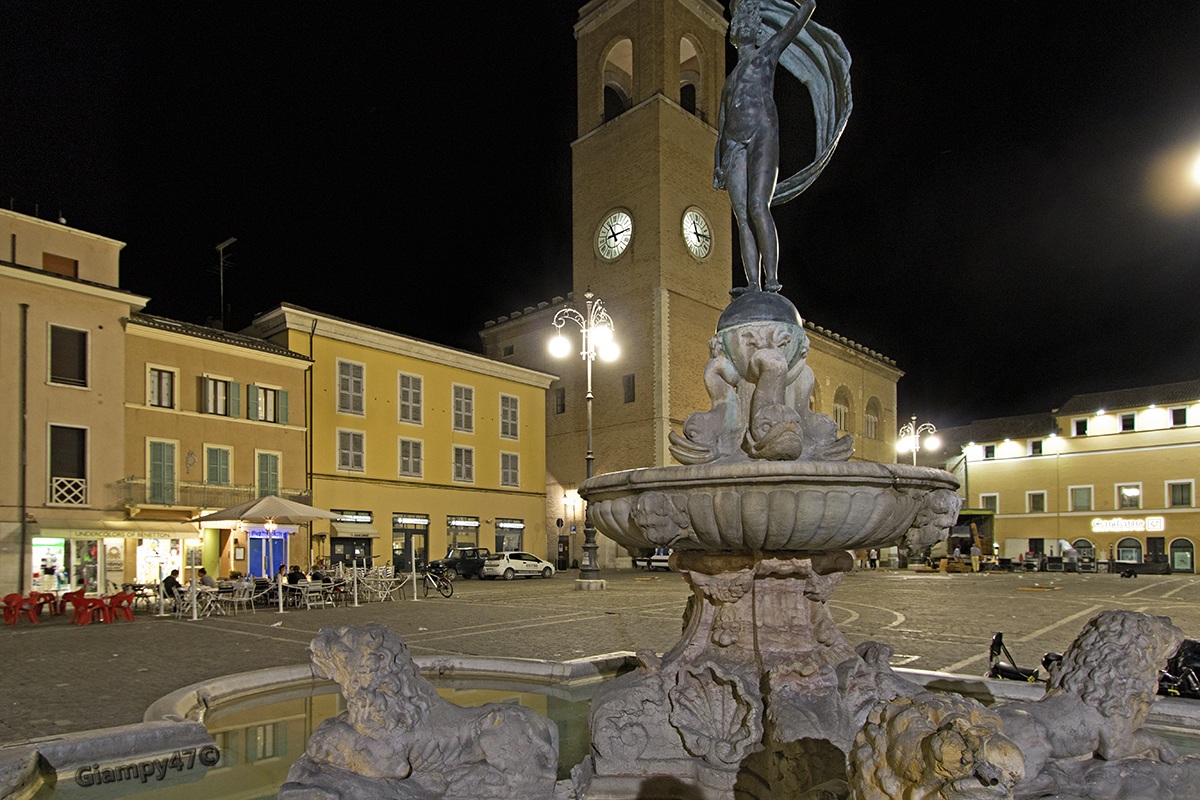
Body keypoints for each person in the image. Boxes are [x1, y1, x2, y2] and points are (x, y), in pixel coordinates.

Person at [714, 0, 815, 295]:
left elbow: (807, 8)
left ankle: (772, 279)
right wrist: (717, 162)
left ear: (757, 29)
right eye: (737, 23)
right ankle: (753, 284)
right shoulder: (728, 81)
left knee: (758, 205)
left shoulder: (767, 54)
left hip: (762, 133)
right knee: (741, 216)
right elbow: (721, 125)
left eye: (748, 22)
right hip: (733, 145)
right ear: (732, 34)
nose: (742, 26)